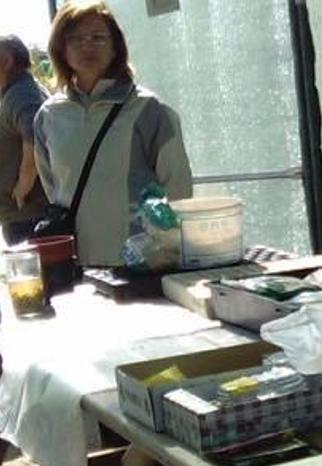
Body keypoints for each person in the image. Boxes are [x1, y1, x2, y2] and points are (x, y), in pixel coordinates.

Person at [33, 0, 193, 267]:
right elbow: (53, 188)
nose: (87, 46)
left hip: (138, 264)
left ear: (116, 46)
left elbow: (177, 188)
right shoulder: (49, 116)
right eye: (75, 39)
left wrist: (163, 251)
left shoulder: (148, 109)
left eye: (98, 37)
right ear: (61, 48)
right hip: (77, 266)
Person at [0, 35, 48, 246]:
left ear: (7, 61)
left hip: (28, 216)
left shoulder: (20, 94)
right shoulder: (21, 91)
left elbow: (36, 136)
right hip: (25, 215)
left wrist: (23, 184)